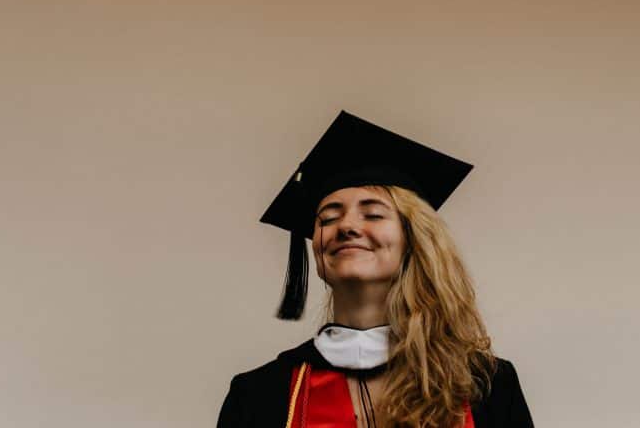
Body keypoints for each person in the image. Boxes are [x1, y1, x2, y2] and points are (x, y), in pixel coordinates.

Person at [217, 110, 534, 428]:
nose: (347, 226)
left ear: (413, 239)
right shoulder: (260, 394)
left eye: (373, 214)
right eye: (328, 218)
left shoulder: (483, 385)